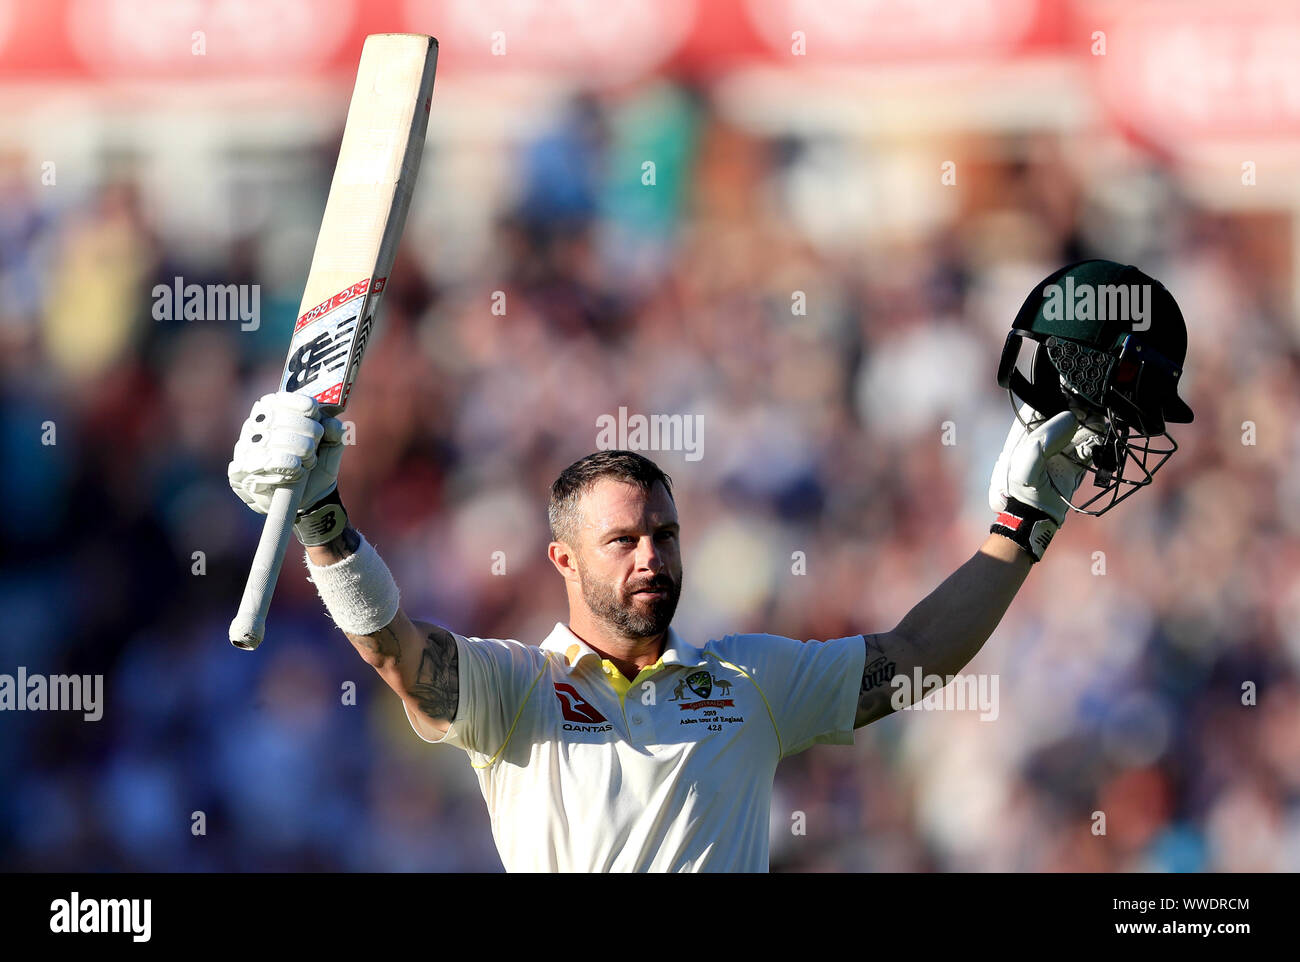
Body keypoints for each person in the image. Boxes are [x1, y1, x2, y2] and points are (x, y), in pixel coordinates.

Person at [226, 260, 1192, 872]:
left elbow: (918, 655)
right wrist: (321, 520)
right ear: (562, 558)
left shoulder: (750, 679)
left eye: (664, 535)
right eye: (623, 541)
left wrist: (1020, 528)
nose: (652, 557)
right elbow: (398, 656)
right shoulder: (513, 691)